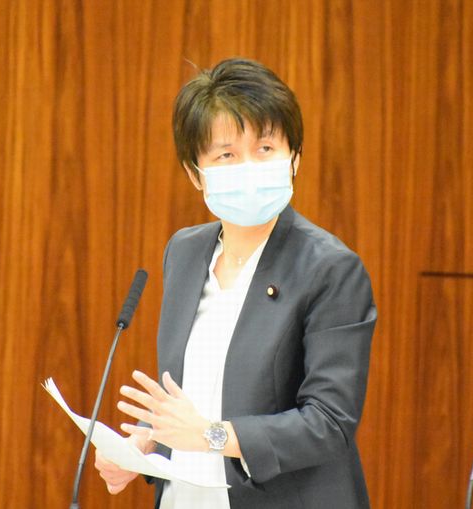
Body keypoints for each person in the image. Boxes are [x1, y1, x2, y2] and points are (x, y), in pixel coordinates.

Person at [95, 57, 377, 509]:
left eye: (265, 148)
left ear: (294, 158)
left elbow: (330, 423)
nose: (248, 166)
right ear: (195, 173)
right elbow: (196, 394)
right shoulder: (185, 252)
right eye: (226, 154)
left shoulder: (330, 269)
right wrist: (146, 445)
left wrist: (211, 435)